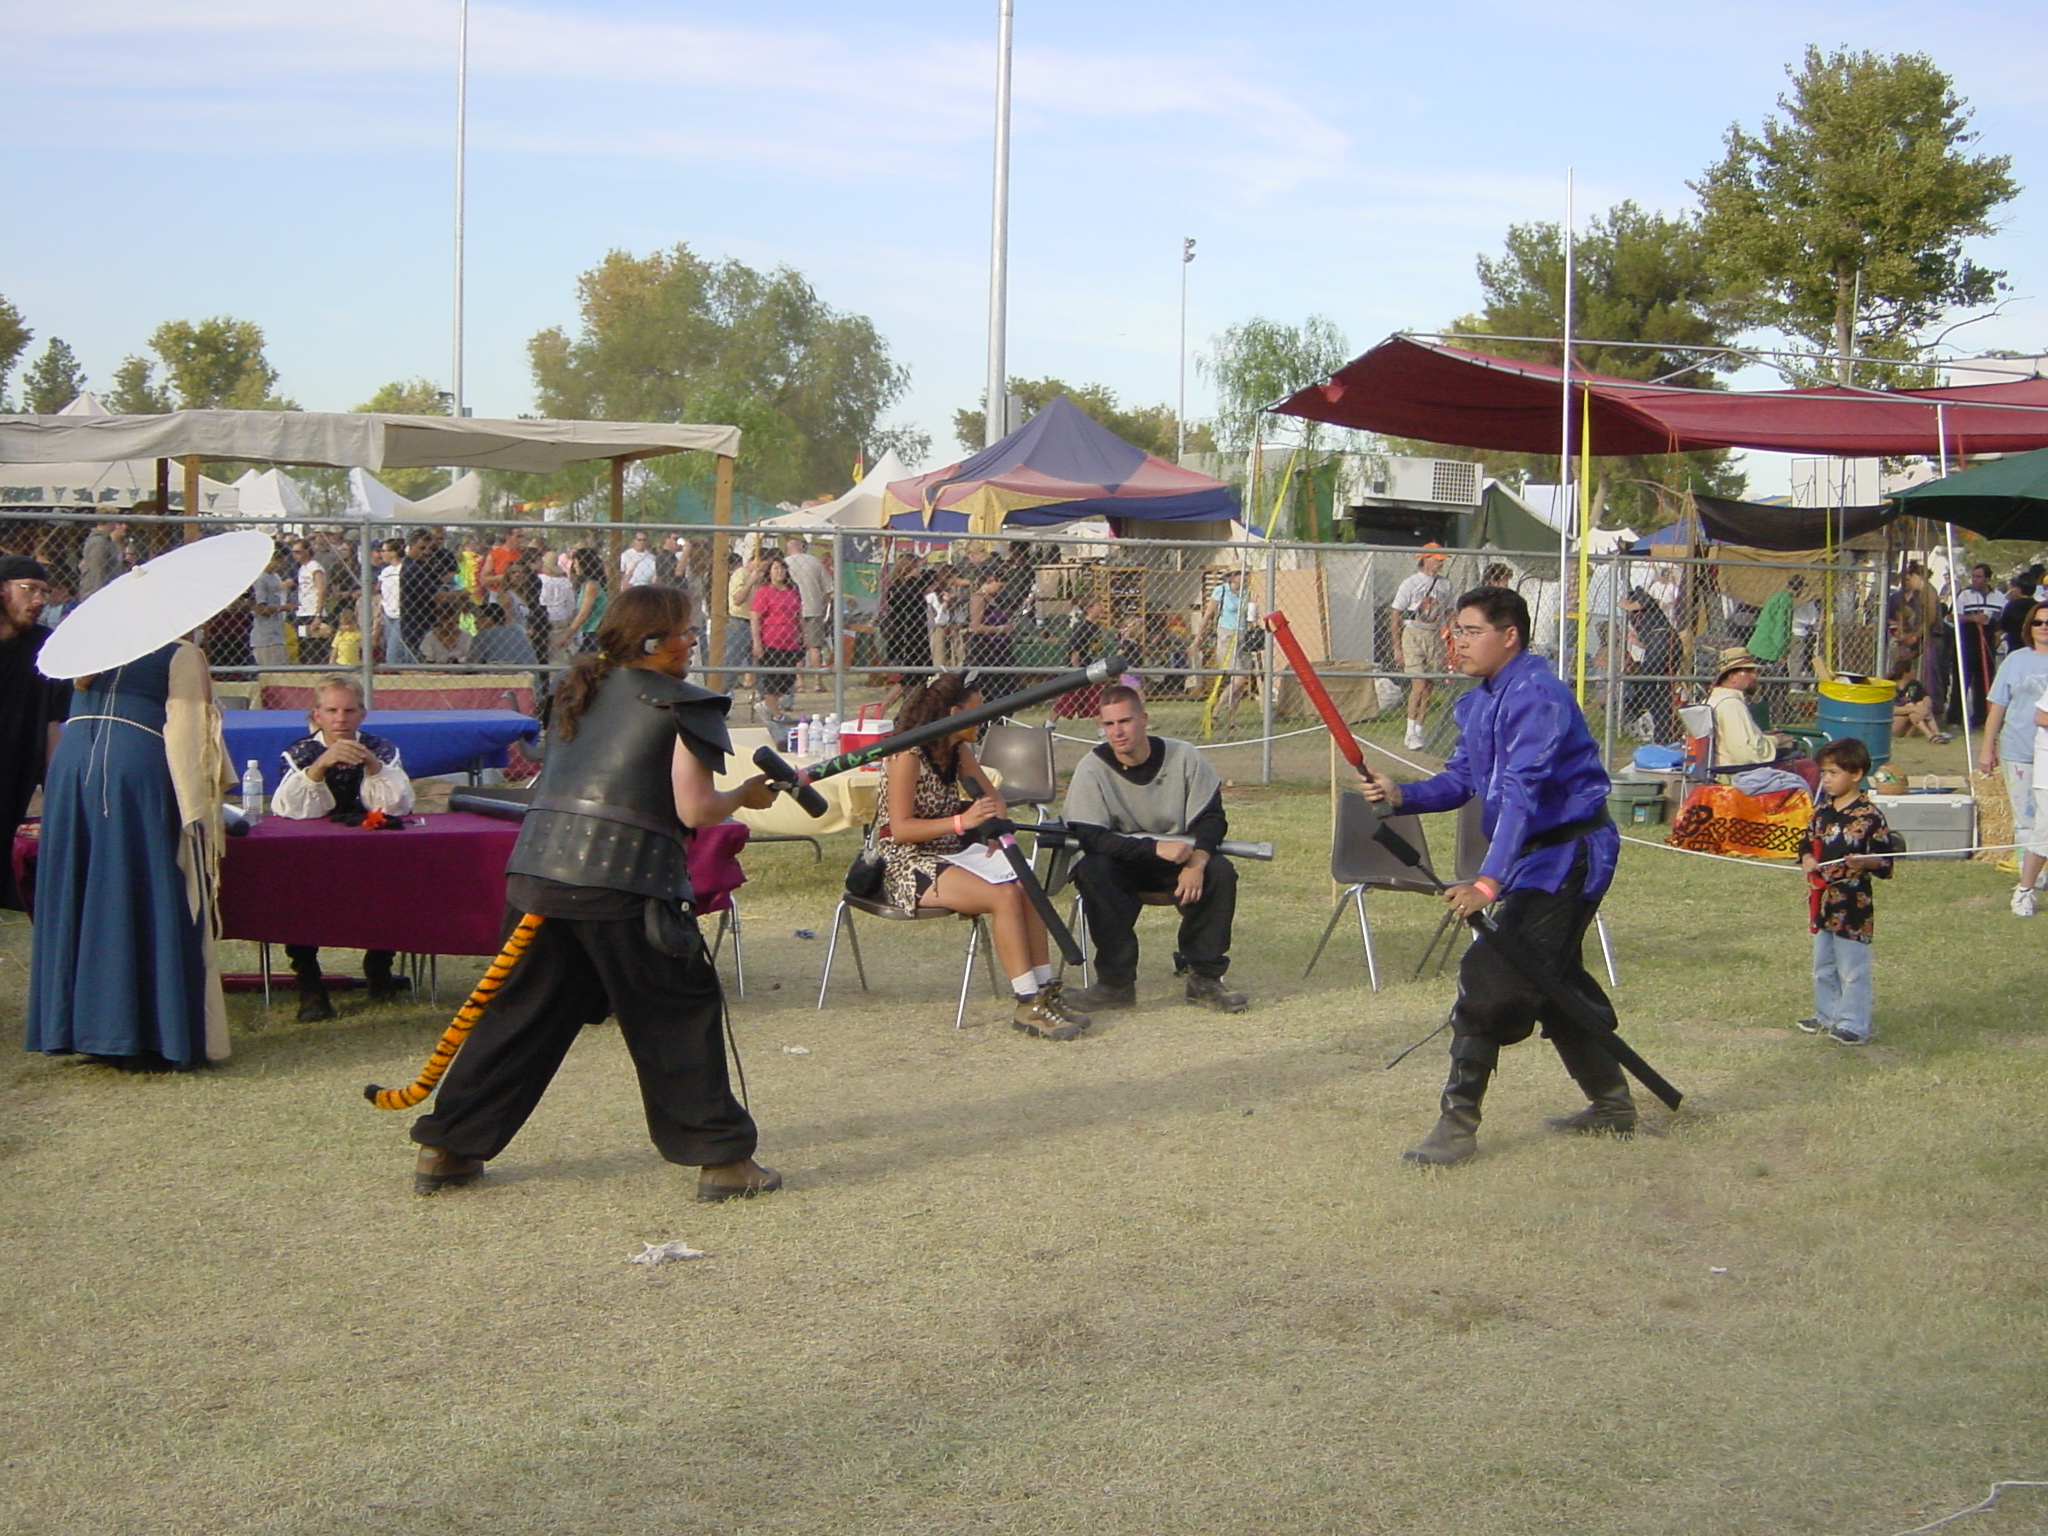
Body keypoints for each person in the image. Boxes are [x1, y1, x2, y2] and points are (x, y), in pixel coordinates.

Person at [406, 584, 782, 1201]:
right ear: (653, 641)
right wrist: (743, 795)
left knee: (519, 1017)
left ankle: (448, 1147)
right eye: (685, 631)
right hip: (626, 883)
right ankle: (722, 1160)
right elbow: (695, 809)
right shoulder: (684, 704)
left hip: (539, 875)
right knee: (674, 1019)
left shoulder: (578, 689)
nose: (693, 642)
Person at [1355, 585, 1628, 1167]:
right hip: (1530, 857)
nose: (1457, 642)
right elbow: (1463, 781)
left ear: (1510, 636)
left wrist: (1487, 882)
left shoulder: (1539, 695)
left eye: (1472, 631)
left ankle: (1457, 1125)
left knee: (1494, 975)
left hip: (1569, 855)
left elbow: (1523, 794)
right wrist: (1401, 795)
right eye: (1456, 631)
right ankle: (1611, 1102)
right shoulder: (1479, 701)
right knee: (1550, 976)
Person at [26, 637, 231, 1070]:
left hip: (71, 768)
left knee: (84, 890)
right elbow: (191, 737)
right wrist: (201, 813)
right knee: (141, 886)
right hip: (134, 770)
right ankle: (146, 1034)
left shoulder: (88, 647)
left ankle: (80, 1028)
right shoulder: (177, 652)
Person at [877, 673, 1092, 1039]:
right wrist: (963, 822)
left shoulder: (958, 749)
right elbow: (900, 829)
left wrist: (995, 828)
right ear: (953, 714)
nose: (984, 720)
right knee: (1004, 895)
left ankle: (1044, 990)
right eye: (976, 712)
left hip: (952, 852)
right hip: (907, 862)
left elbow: (993, 799)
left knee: (1025, 886)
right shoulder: (908, 756)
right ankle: (1027, 1002)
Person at [1059, 684, 1248, 1015]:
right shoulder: (1092, 766)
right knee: (1093, 869)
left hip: (1180, 859)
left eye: (1125, 721)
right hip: (1123, 862)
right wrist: (1153, 848)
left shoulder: (1184, 755)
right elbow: (1091, 837)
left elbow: (1212, 819)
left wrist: (1196, 864)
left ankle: (1205, 979)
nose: (1117, 732)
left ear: (1144, 720)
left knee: (1220, 872)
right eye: (1109, 724)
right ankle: (1115, 984)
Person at [271, 677, 416, 1020]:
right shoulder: (299, 753)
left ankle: (379, 964)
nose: (340, 719)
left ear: (362, 714)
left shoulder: (382, 749)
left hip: (372, 851)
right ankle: (309, 982)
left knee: (397, 879)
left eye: (349, 710)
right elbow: (292, 810)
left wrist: (372, 765)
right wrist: (319, 767)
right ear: (317, 715)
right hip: (312, 853)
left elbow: (398, 806)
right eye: (332, 711)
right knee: (297, 894)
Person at [1795, 737, 1893, 1044]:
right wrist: (1807, 859)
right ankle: (1826, 1014)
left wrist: (1865, 861)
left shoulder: (1870, 816)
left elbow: (1885, 861)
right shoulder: (1822, 810)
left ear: (1856, 774)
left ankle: (1853, 1024)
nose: (1826, 779)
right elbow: (1805, 842)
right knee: (1822, 965)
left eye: (1834, 773)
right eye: (1824, 772)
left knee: (1852, 968)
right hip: (1823, 901)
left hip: (1852, 903)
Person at [0, 556, 69, 911]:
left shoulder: (46, 648)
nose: (39, 600)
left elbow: (51, 722)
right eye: (28, 589)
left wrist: (57, 785)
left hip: (15, 774)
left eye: (44, 591)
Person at [1978, 600, 2048, 891]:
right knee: (2024, 816)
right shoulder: (2015, 661)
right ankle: (2029, 878)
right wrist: (1987, 747)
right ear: (2029, 627)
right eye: (2038, 622)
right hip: (2017, 749)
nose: (2043, 628)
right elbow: (1997, 706)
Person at [1705, 647, 1808, 794]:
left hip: (1721, 771)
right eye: (1748, 671)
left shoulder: (1713, 699)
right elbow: (1747, 754)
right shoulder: (1731, 705)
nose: (1754, 676)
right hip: (1736, 776)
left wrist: (1766, 738)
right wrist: (1776, 741)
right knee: (1808, 768)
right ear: (1732, 676)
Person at [1389, 544, 1451, 752]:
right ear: (1425, 559)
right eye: (1437, 559)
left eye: (1442, 560)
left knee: (1429, 686)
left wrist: (1455, 632)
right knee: (1419, 683)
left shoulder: (1445, 584)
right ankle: (1410, 732)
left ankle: (1419, 728)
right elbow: (1395, 614)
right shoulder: (1410, 583)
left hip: (1434, 635)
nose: (1440, 563)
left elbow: (1448, 611)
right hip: (1413, 633)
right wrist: (1397, 646)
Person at [750, 556, 804, 724]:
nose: (779, 572)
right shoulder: (764, 591)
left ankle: (767, 704)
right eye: (775, 568)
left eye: (782, 568)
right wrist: (757, 643)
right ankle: (775, 713)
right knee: (773, 680)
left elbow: (799, 615)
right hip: (771, 641)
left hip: (790, 641)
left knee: (788, 680)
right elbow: (755, 617)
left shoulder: (792, 591)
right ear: (769, 572)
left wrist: (804, 634)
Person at [1955, 563, 2002, 730]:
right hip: (1968, 641)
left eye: (1979, 577)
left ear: (1987, 579)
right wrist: (1973, 618)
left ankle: (1980, 718)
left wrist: (1998, 634)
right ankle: (1955, 717)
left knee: (1984, 681)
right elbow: (1954, 617)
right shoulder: (1965, 595)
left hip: (1988, 641)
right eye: (1973, 576)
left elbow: (2001, 619)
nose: (1974, 579)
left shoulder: (1998, 597)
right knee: (1962, 679)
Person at [781, 534, 830, 672]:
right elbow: (828, 590)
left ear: (788, 549)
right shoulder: (815, 562)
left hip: (791, 608)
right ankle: (817, 679)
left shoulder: (784, 564)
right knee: (815, 646)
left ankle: (799, 679)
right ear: (802, 547)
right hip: (814, 607)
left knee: (797, 644)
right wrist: (821, 605)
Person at [964, 571, 1017, 700]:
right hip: (986, 647)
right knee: (991, 684)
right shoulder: (978, 598)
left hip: (1000, 647)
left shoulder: (991, 599)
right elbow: (976, 627)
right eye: (1000, 586)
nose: (1000, 590)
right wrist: (1000, 629)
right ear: (991, 580)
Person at [249, 544, 292, 668]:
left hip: (277, 634)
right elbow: (259, 609)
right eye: (280, 562)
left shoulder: (274, 577)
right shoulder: (260, 579)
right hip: (265, 637)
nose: (282, 565)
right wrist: (283, 608)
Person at [290, 538, 331, 666]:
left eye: (298, 552)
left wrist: (318, 615)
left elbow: (321, 590)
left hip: (313, 611)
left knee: (314, 648)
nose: (295, 555)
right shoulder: (302, 568)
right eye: (293, 552)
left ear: (307, 551)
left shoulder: (315, 567)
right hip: (303, 611)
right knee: (304, 646)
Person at [566, 546, 608, 656]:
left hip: (594, 633)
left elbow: (584, 614)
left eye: (577, 563)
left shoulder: (591, 585)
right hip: (588, 632)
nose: (575, 566)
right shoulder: (586, 584)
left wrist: (567, 635)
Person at [468, 601, 538, 667]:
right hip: (531, 674)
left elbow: (472, 664)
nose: (475, 622)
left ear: (488, 620)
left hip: (503, 674)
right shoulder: (517, 631)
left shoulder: (483, 635)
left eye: (479, 617)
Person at [924, 565, 965, 672]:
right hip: (939, 631)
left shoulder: (956, 595)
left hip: (955, 630)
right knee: (941, 662)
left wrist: (956, 602)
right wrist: (945, 604)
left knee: (959, 662)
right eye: (951, 578)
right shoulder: (932, 595)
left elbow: (961, 618)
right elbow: (938, 621)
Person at [75, 519, 127, 600]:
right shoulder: (99, 542)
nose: (124, 527)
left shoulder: (107, 541)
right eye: (118, 522)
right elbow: (97, 571)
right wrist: (98, 596)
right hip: (96, 593)